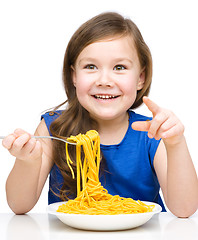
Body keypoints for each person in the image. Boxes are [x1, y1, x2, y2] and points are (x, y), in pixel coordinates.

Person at [2, 12, 198, 217]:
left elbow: (184, 210)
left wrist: (176, 143)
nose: (104, 80)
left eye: (119, 67)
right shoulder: (54, 128)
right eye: (91, 67)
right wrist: (27, 161)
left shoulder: (152, 133)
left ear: (141, 78)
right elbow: (19, 205)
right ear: (74, 76)